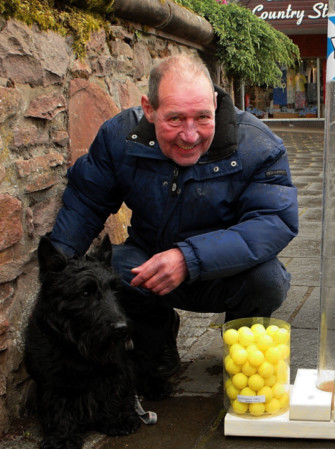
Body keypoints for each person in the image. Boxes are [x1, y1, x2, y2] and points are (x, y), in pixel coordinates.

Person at [49, 54, 298, 399]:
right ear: (149, 109)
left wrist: (188, 258)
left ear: (215, 103)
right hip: (148, 265)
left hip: (224, 272)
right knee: (108, 272)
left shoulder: (258, 145)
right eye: (175, 119)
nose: (190, 135)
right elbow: (87, 201)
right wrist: (57, 264)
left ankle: (243, 360)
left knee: (267, 281)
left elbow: (273, 221)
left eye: (202, 117)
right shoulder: (120, 136)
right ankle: (156, 344)